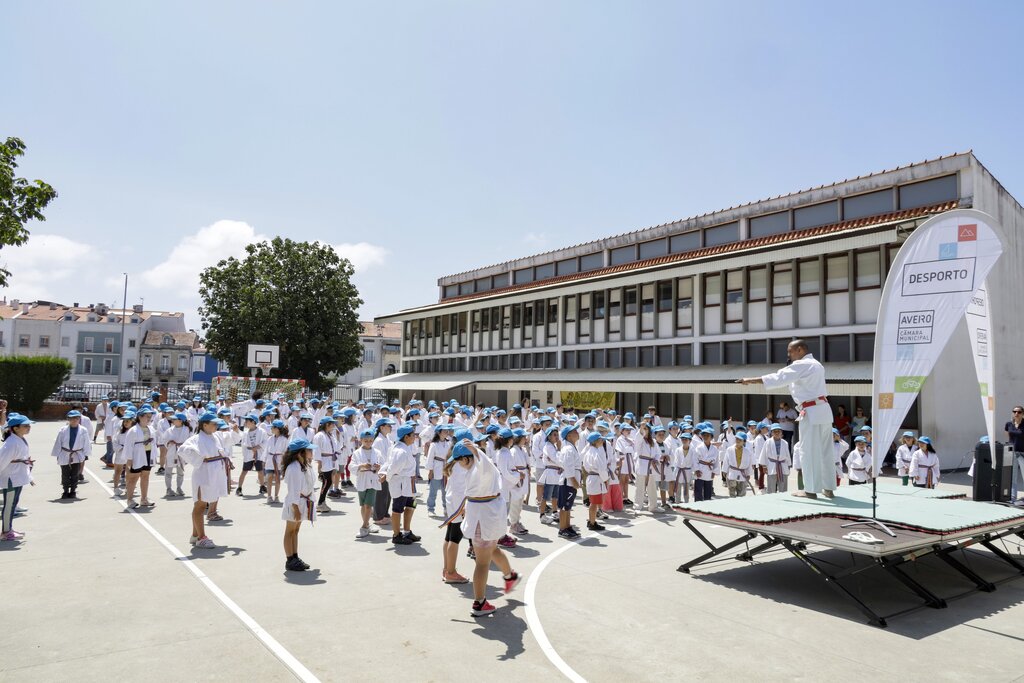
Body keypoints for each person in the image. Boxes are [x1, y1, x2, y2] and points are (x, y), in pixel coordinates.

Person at [738, 339, 834, 499]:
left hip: (810, 409)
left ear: (801, 349)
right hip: (823, 409)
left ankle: (810, 489)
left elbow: (779, 377)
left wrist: (751, 379)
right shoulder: (817, 364)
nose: (789, 354)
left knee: (808, 450)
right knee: (826, 450)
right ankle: (828, 487)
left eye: (791, 351)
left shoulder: (802, 364)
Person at [444, 441, 522, 617]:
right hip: (485, 517)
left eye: (459, 461)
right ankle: (495, 589)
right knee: (487, 555)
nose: (458, 465)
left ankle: (495, 589)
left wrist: (475, 448)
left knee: (487, 556)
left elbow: (482, 460)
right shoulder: (474, 469)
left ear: (466, 457)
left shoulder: (482, 467)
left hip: (484, 518)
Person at [177, 413, 230, 549]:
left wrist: (234, 431)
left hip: (215, 473)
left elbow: (230, 438)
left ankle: (195, 534)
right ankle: (201, 537)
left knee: (206, 501)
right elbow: (182, 449)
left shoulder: (216, 436)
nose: (216, 426)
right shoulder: (196, 438)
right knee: (200, 505)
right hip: (203, 474)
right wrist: (199, 457)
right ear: (204, 425)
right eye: (213, 423)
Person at [281, 438, 316, 572]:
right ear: (300, 452)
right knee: (289, 531)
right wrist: (295, 508)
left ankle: (295, 556)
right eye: (309, 449)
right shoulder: (294, 468)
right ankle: (289, 559)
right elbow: (293, 490)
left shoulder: (305, 464)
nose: (311, 451)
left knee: (296, 531)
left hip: (302, 502)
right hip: (294, 503)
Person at [0, 415, 34, 541]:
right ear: (15, 428)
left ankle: (9, 528)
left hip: (17, 477)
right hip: (11, 479)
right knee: (9, 505)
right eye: (25, 426)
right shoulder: (11, 443)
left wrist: (29, 475)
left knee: (13, 504)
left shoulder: (20, 439)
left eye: (29, 425)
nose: (29, 427)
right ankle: (6, 532)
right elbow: (1, 461)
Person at [387, 423, 420, 545]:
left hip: (408, 483)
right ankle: (396, 535)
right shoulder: (400, 451)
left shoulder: (405, 447)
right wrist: (387, 477)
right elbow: (392, 468)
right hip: (400, 483)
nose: (414, 437)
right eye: (412, 435)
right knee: (397, 508)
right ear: (406, 437)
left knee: (411, 505)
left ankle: (407, 531)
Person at [123, 406, 158, 509]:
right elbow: (128, 446)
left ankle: (144, 499)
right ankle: (130, 499)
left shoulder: (151, 428)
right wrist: (129, 460)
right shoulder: (133, 430)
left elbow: (154, 443)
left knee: (145, 476)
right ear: (140, 417)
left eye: (150, 416)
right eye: (147, 416)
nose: (149, 418)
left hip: (148, 454)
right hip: (136, 456)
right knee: (133, 478)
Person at [51, 410, 91, 500]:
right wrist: (57, 454)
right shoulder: (63, 430)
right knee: (65, 474)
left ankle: (73, 491)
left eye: (76, 418)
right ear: (68, 419)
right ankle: (65, 491)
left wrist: (85, 454)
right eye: (72, 418)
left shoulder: (83, 430)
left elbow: (87, 443)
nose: (74, 420)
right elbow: (58, 442)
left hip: (77, 454)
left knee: (75, 474)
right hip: (65, 453)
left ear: (79, 419)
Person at [351, 429, 382, 538]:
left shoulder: (377, 452)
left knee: (368, 505)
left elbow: (382, 464)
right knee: (363, 505)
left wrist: (379, 467)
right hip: (362, 480)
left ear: (373, 440)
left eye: (370, 440)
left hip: (373, 480)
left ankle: (364, 527)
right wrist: (361, 466)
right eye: (366, 440)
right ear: (361, 440)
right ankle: (368, 524)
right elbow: (351, 467)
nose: (368, 442)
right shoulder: (356, 453)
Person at [237, 414, 266, 496]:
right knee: (244, 471)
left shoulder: (261, 431)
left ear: (253, 422)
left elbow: (265, 442)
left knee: (260, 471)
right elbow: (243, 444)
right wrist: (248, 450)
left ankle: (262, 486)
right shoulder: (245, 433)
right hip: (249, 454)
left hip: (259, 454)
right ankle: (239, 488)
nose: (245, 423)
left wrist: (257, 447)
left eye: (247, 421)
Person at [758, 423, 791, 494]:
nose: (777, 433)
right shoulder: (768, 442)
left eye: (778, 431)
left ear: (781, 432)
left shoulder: (785, 443)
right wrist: (764, 466)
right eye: (774, 431)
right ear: (772, 433)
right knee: (771, 487)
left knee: (783, 487)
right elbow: (764, 454)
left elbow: (787, 455)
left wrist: (788, 465)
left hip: (783, 465)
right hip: (772, 465)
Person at [723, 431, 754, 497]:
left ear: (744, 441)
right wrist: (724, 471)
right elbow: (726, 461)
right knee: (732, 492)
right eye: (737, 439)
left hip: (743, 473)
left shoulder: (747, 452)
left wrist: (748, 474)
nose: (738, 441)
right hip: (732, 473)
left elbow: (749, 463)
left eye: (740, 440)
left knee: (742, 493)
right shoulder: (729, 449)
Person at [692, 427, 719, 501]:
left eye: (708, 435)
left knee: (708, 490)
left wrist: (714, 471)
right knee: (698, 490)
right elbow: (695, 459)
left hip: (709, 471)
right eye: (704, 435)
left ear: (711, 437)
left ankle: (707, 506)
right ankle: (697, 505)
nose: (705, 437)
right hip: (700, 470)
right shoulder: (698, 447)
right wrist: (696, 470)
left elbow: (716, 462)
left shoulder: (715, 449)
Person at [1005, 406, 1024, 504]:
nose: (1016, 413)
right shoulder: (1009, 424)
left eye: (1019, 412)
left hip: (1022, 453)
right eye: (1014, 411)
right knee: (1013, 476)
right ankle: (1013, 497)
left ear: (1022, 414)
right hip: (1012, 452)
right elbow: (1009, 436)